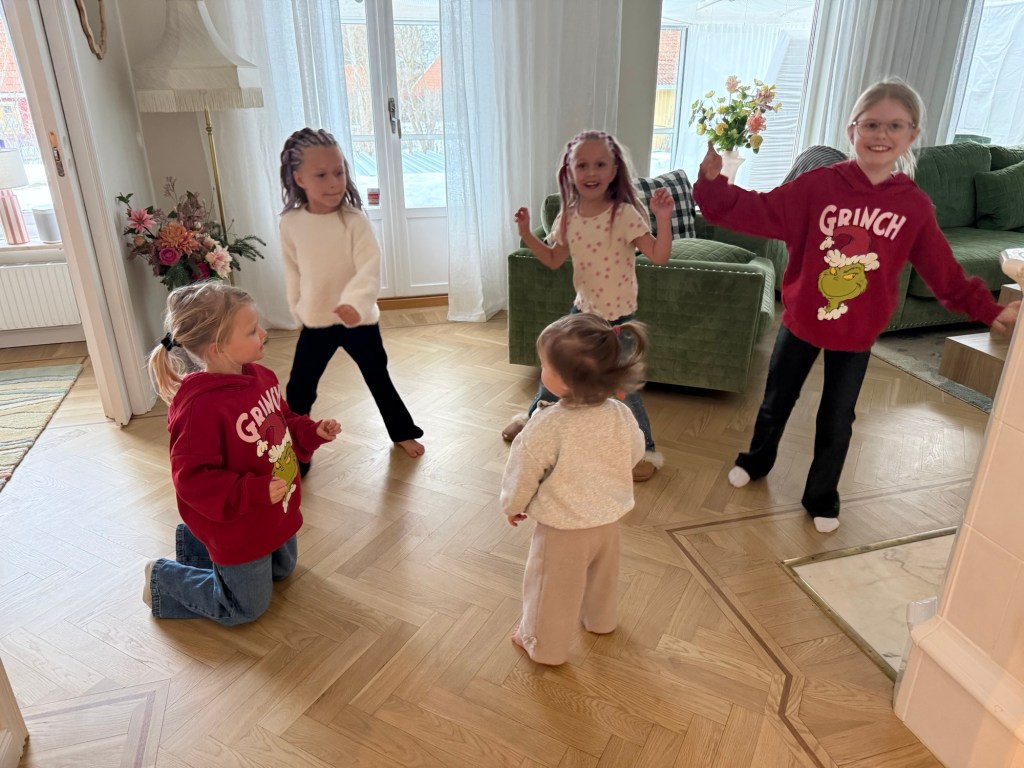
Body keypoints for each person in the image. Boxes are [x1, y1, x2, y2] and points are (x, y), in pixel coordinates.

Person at [694, 77, 1020, 533]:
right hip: (803, 320)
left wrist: (988, 309)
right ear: (853, 130)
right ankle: (756, 461)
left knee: (837, 418)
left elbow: (944, 273)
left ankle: (821, 496)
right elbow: (759, 211)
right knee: (776, 401)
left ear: (912, 135)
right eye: (871, 124)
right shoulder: (818, 186)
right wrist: (713, 185)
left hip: (857, 332)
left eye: (895, 125)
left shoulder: (913, 207)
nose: (881, 134)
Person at [143, 281, 340, 624]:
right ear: (218, 348)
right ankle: (162, 578)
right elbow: (192, 480)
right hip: (239, 521)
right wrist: (252, 491)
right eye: (251, 331)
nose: (263, 333)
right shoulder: (200, 409)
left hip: (274, 509)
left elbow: (284, 421)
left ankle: (195, 545)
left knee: (283, 569)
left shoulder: (261, 377)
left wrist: (312, 431)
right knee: (244, 608)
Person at [504, 129, 674, 482]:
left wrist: (663, 218)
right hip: (582, 315)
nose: (591, 172)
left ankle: (644, 451)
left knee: (623, 390)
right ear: (569, 171)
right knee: (554, 371)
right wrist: (526, 235)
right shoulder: (568, 216)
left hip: (618, 321)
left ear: (614, 171)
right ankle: (533, 421)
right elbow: (554, 259)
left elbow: (659, 255)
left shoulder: (625, 214)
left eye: (600, 164)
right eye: (582, 165)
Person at [501, 312, 647, 665]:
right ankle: (600, 621)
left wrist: (513, 505)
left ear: (565, 381)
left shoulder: (547, 424)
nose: (541, 371)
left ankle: (543, 646)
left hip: (563, 529)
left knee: (550, 588)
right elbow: (636, 452)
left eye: (545, 366)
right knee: (602, 577)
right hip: (607, 521)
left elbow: (523, 472)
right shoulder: (620, 413)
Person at [278, 127, 424, 475]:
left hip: (359, 320)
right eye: (322, 175)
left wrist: (355, 304)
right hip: (317, 320)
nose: (334, 183)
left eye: (339, 172)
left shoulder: (355, 221)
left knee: (378, 378)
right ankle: (298, 446)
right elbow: (293, 270)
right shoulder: (291, 223)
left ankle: (402, 431)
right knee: (299, 388)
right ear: (299, 178)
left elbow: (369, 268)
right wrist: (297, 308)